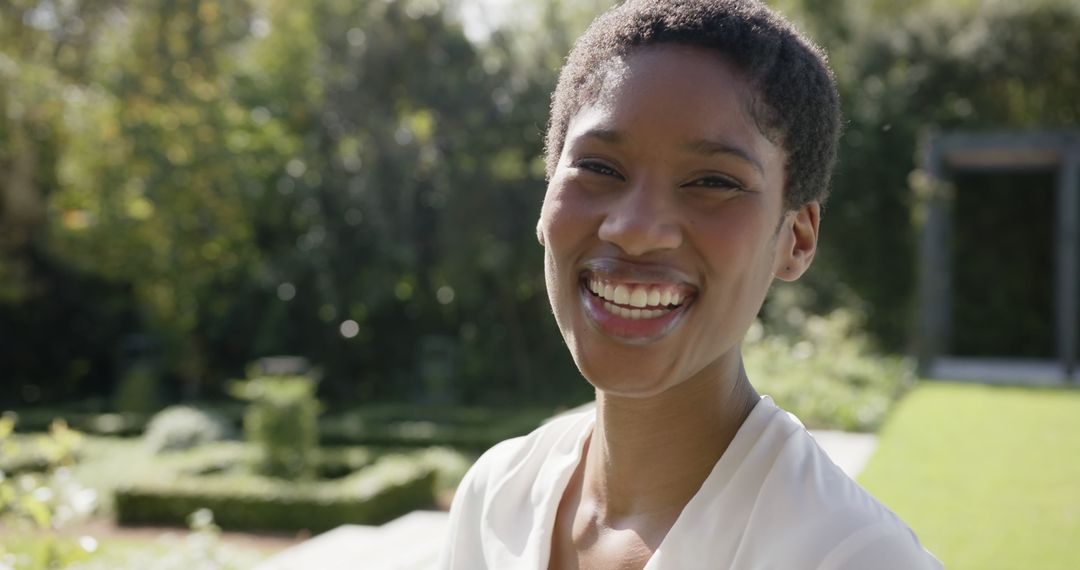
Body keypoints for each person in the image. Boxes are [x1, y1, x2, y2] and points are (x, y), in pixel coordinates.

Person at [440, 0, 943, 568]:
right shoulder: (495, 501)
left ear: (796, 239)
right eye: (600, 168)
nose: (635, 231)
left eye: (712, 181)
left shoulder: (849, 554)